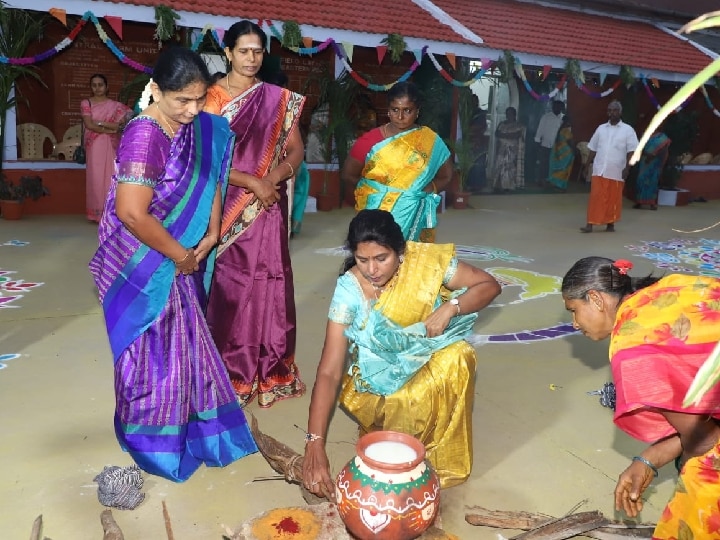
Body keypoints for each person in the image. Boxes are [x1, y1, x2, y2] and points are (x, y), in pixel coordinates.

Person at [88, 47, 257, 482]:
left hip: (179, 254)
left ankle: (190, 428)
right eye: (182, 100)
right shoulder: (144, 135)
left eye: (200, 99)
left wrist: (214, 228)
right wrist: (181, 255)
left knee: (185, 345)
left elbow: (211, 173)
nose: (193, 110)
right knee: (151, 350)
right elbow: (131, 212)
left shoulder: (200, 127)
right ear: (156, 90)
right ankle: (154, 443)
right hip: (145, 261)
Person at [302, 209, 501, 498]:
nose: (372, 270)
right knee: (407, 397)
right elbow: (329, 370)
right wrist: (314, 443)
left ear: (400, 251)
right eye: (362, 260)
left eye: (381, 258)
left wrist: (451, 307)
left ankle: (436, 456)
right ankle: (392, 437)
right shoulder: (350, 290)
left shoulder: (426, 263)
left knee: (459, 355)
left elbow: (489, 285)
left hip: (425, 355)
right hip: (379, 383)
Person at [562, 257, 720, 538]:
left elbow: (705, 439)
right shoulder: (666, 289)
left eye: (574, 310)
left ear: (596, 299)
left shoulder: (635, 350)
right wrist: (648, 460)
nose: (574, 323)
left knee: (697, 495)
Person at [204, 20, 306, 408]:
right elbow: (204, 158)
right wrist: (253, 182)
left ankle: (271, 369)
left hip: (267, 205)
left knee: (270, 282)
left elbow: (295, 150)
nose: (251, 58)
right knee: (230, 287)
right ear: (228, 52)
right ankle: (229, 370)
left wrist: (275, 176)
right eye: (243, 50)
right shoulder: (211, 98)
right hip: (226, 205)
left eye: (258, 51)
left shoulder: (277, 98)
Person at [342, 82, 453, 242]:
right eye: (395, 110)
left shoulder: (430, 141)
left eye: (407, 110)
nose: (400, 117)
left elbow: (446, 175)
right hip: (376, 215)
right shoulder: (370, 141)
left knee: (410, 261)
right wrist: (375, 193)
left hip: (414, 213)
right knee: (377, 258)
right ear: (388, 110)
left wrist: (429, 189)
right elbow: (348, 175)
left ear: (417, 111)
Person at [81, 74, 133, 222]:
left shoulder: (116, 106)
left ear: (106, 87)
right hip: (95, 145)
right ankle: (97, 213)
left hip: (111, 145)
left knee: (111, 176)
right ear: (91, 87)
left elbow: (125, 122)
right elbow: (89, 125)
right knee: (96, 178)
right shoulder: (86, 103)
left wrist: (100, 124)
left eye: (100, 85)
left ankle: (111, 212)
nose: (97, 88)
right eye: (94, 85)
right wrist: (110, 129)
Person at [580, 100, 638, 233]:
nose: (612, 113)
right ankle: (590, 224)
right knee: (595, 197)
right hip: (599, 169)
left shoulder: (628, 130)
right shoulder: (601, 128)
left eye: (615, 110)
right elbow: (593, 148)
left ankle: (610, 224)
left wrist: (628, 168)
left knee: (613, 198)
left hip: (616, 170)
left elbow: (632, 151)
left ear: (620, 112)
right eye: (610, 110)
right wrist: (586, 165)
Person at [633, 130, 671, 211]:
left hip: (655, 163)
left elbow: (664, 151)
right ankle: (639, 201)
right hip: (644, 162)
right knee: (640, 180)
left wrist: (652, 156)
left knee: (652, 182)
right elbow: (639, 147)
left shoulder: (662, 137)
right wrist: (646, 155)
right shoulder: (644, 135)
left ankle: (652, 203)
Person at [493, 106, 526, 192]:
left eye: (510, 114)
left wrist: (503, 135)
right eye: (507, 114)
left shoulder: (519, 125)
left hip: (512, 150)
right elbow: (497, 133)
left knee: (509, 168)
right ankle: (498, 185)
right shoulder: (501, 124)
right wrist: (507, 136)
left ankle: (508, 186)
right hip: (501, 149)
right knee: (499, 166)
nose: (508, 115)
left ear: (514, 114)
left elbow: (516, 135)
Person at [534, 100, 564, 185]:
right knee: (544, 163)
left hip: (558, 146)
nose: (557, 108)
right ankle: (541, 180)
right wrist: (537, 142)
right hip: (545, 144)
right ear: (552, 107)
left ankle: (553, 181)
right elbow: (540, 130)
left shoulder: (563, 118)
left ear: (561, 108)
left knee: (556, 164)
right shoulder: (546, 117)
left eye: (559, 106)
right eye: (555, 106)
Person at [546, 114, 574, 191]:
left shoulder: (560, 129)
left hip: (560, 152)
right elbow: (570, 142)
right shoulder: (566, 130)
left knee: (560, 169)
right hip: (566, 152)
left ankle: (557, 184)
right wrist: (574, 150)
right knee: (565, 169)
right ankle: (561, 186)